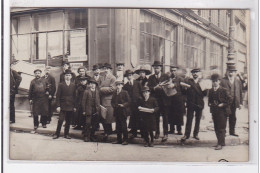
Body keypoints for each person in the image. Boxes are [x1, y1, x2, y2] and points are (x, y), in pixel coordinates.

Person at [181, 68, 207, 142]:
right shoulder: (188, 81)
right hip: (191, 103)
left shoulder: (202, 82)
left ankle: (196, 134)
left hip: (199, 103)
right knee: (189, 119)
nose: (195, 74)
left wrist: (204, 88)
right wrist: (185, 89)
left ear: (199, 74)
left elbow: (205, 94)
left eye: (196, 72)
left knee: (198, 120)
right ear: (192, 74)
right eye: (193, 73)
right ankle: (186, 134)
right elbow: (184, 93)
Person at [208, 74, 232, 150]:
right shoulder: (211, 90)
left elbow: (230, 100)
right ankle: (221, 142)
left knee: (221, 128)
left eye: (216, 81)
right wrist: (210, 104)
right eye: (213, 81)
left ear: (219, 81)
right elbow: (209, 100)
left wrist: (223, 104)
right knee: (216, 127)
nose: (215, 83)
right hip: (214, 111)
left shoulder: (224, 90)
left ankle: (220, 144)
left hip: (222, 112)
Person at [147, 61, 169, 140]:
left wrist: (163, 88)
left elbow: (169, 87)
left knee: (165, 117)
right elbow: (148, 88)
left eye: (158, 68)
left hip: (164, 100)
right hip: (155, 101)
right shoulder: (151, 77)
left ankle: (166, 133)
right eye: (155, 68)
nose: (156, 69)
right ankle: (157, 132)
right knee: (156, 117)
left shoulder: (166, 76)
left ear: (161, 68)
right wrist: (154, 88)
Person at [53, 69, 77, 139]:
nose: (68, 77)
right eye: (66, 75)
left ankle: (66, 134)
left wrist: (75, 106)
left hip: (70, 105)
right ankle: (57, 134)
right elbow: (58, 96)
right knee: (60, 120)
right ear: (64, 76)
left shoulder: (73, 85)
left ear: (71, 77)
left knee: (68, 121)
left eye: (69, 75)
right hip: (62, 105)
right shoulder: (61, 84)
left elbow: (75, 96)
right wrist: (58, 106)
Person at [220, 65, 243, 137]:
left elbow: (240, 92)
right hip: (226, 102)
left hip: (234, 102)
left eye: (233, 72)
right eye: (230, 72)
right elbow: (220, 92)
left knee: (233, 117)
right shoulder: (223, 81)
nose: (231, 73)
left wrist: (241, 103)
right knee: (224, 117)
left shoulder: (238, 81)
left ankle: (232, 131)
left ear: (235, 73)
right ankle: (223, 132)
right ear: (227, 72)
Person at [123, 70, 142, 138]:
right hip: (131, 104)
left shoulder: (137, 83)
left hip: (138, 103)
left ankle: (142, 133)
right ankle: (134, 133)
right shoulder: (126, 85)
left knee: (140, 117)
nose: (129, 77)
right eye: (128, 76)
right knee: (133, 117)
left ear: (132, 75)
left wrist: (141, 101)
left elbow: (141, 92)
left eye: (130, 75)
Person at [99, 63, 116, 140]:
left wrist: (102, 89)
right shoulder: (102, 78)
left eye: (107, 69)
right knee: (103, 116)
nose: (105, 70)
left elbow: (112, 89)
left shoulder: (112, 78)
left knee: (108, 116)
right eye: (104, 69)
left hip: (109, 100)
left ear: (110, 70)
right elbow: (98, 86)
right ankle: (106, 131)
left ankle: (108, 131)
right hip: (102, 99)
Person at [111, 81, 131, 145]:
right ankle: (118, 139)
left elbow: (129, 101)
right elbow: (112, 101)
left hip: (123, 111)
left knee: (124, 126)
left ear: (122, 86)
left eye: (120, 85)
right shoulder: (114, 92)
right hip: (117, 111)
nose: (118, 86)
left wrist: (123, 105)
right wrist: (114, 106)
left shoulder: (125, 92)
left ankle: (125, 140)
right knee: (118, 126)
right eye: (117, 85)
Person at [82, 78, 101, 142]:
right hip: (88, 109)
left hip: (95, 110)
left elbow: (98, 101)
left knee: (94, 124)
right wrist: (84, 110)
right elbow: (83, 101)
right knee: (88, 123)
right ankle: (86, 136)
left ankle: (92, 136)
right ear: (89, 85)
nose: (92, 85)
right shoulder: (86, 91)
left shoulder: (97, 92)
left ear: (95, 85)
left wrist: (98, 110)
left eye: (94, 84)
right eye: (91, 84)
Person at [168, 66, 185, 135]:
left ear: (177, 71)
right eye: (172, 70)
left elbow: (184, 90)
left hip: (178, 100)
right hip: (170, 99)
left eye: (174, 70)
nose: (173, 72)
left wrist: (174, 85)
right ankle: (172, 129)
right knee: (171, 114)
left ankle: (179, 130)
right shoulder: (168, 79)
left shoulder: (180, 79)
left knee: (179, 115)